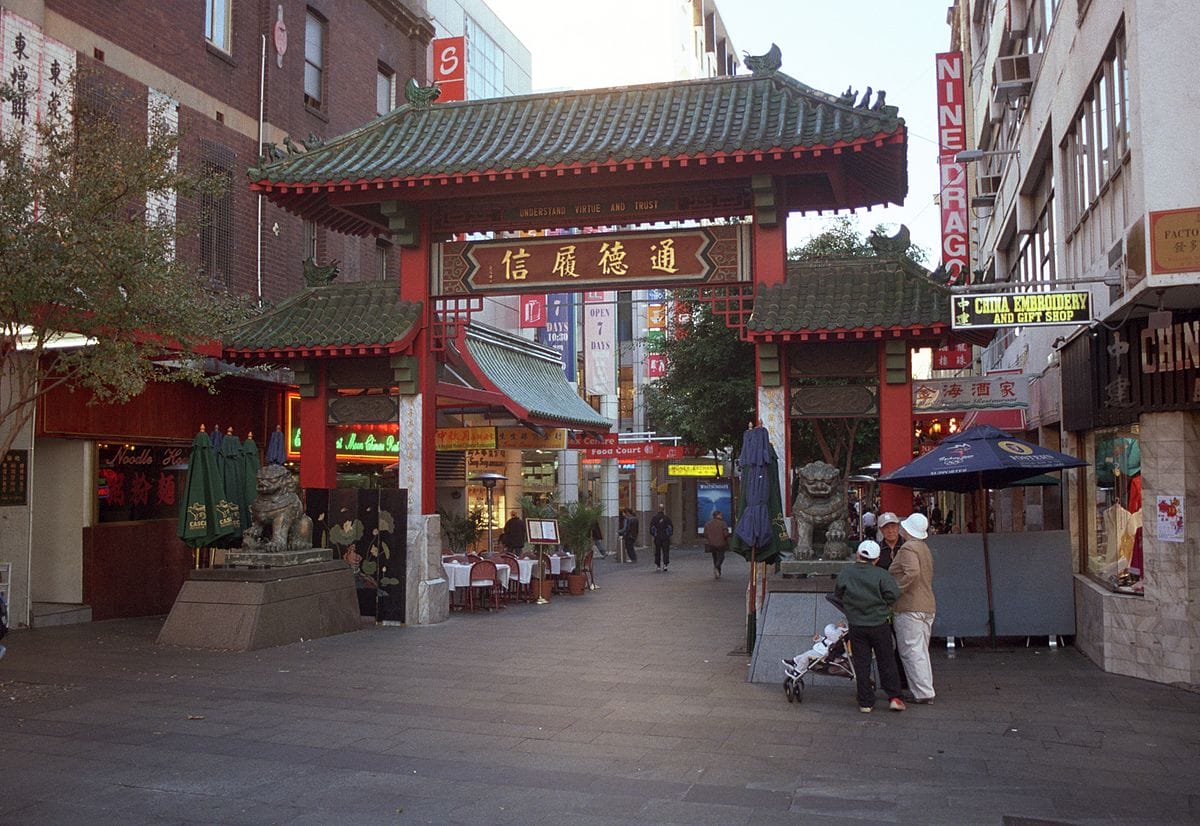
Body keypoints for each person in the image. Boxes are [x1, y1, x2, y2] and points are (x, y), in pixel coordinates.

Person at [834, 539, 905, 713]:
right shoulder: (881, 574)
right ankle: (894, 697)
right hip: (879, 624)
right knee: (886, 660)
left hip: (857, 625)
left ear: (858, 554)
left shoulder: (846, 573)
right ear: (877, 558)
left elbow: (838, 593)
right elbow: (894, 594)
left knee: (862, 663)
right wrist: (882, 605)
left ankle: (866, 702)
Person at [890, 512, 937, 704]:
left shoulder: (908, 548)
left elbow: (912, 572)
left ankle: (922, 692)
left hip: (910, 605)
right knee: (921, 650)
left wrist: (896, 590)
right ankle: (925, 689)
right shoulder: (924, 548)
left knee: (911, 651)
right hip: (927, 604)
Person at [703, 509, 730, 580]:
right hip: (721, 543)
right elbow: (725, 534)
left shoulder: (707, 524)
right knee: (721, 557)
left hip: (711, 544)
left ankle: (718, 572)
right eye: (721, 515)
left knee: (715, 557)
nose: (722, 516)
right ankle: (717, 567)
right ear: (718, 515)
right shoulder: (723, 523)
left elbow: (705, 534)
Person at [649, 502, 673, 572]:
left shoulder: (654, 518)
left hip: (657, 537)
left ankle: (658, 565)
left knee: (657, 551)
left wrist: (654, 535)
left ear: (658, 509)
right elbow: (671, 527)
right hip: (665, 537)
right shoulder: (667, 518)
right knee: (666, 551)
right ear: (663, 509)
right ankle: (665, 565)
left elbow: (651, 528)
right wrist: (669, 535)